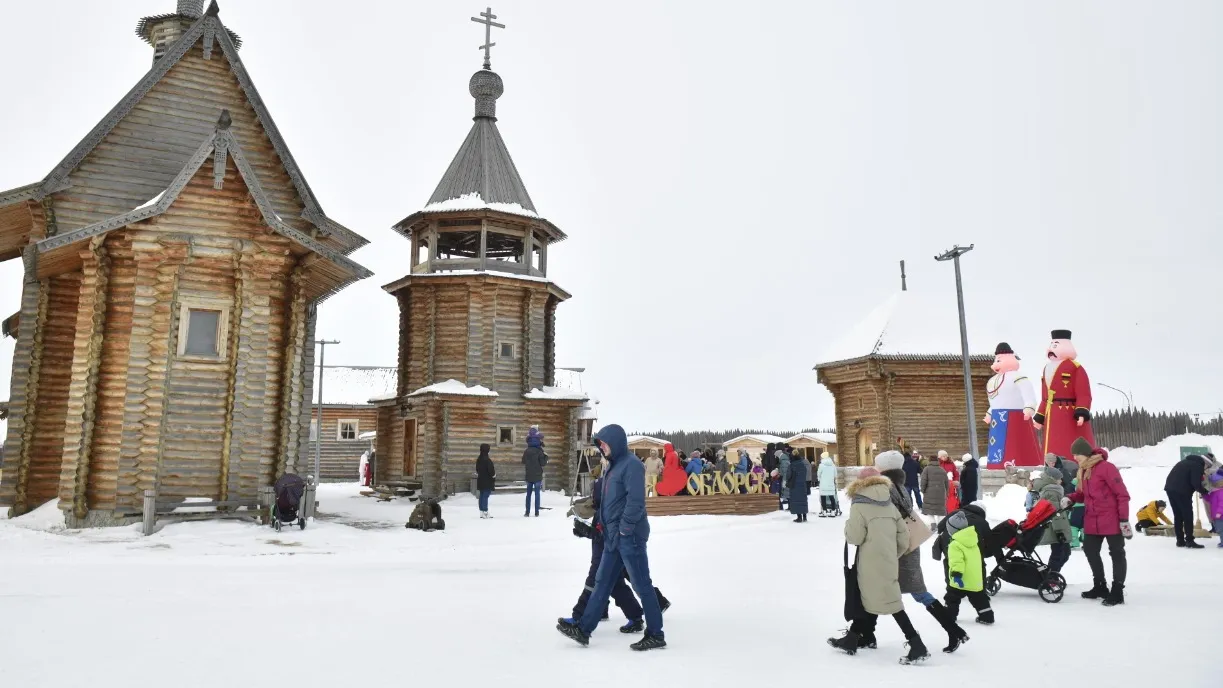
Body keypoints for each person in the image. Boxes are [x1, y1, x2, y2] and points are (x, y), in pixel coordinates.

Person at [557, 424, 666, 651]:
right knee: (602, 583)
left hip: (630, 537)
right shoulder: (612, 467)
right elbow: (609, 503)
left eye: (605, 444)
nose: (602, 448)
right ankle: (583, 630)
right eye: (600, 445)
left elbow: (636, 503)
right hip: (611, 538)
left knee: (641, 585)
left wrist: (625, 530)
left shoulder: (632, 466)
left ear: (615, 443)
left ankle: (655, 633)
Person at [827, 469, 930, 665]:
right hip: (889, 561)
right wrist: (892, 555)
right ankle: (854, 638)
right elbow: (904, 537)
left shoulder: (859, 504)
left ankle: (917, 645)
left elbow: (854, 537)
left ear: (862, 483)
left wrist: (848, 527)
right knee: (871, 598)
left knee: (890, 603)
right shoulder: (889, 503)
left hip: (868, 563)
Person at [876, 451, 970, 654]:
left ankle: (950, 631)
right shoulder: (899, 488)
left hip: (900, 551)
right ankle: (954, 630)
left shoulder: (887, 490)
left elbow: (893, 523)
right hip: (909, 547)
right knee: (908, 593)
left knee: (890, 592)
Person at [1065, 446, 1131, 606]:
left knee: (1116, 553)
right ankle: (1100, 586)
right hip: (1092, 519)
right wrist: (1071, 498)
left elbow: (1122, 494)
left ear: (1086, 454)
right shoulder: (1084, 470)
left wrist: (1123, 519)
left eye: (1077, 454)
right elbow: (1083, 495)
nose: (1075, 457)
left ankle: (1117, 591)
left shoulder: (1106, 468)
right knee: (1089, 549)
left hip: (1112, 518)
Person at [943, 511, 994, 625]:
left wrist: (956, 575)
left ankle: (949, 617)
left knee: (952, 598)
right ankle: (987, 617)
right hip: (975, 579)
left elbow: (957, 561)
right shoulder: (973, 540)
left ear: (953, 530)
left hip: (960, 579)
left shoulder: (955, 544)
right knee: (979, 599)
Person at [1164, 453, 1211, 548]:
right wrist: (1205, 492)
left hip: (1170, 489)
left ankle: (1180, 540)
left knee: (1178, 515)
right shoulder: (1197, 465)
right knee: (1188, 515)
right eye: (1207, 467)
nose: (1206, 469)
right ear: (1205, 463)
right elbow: (1195, 483)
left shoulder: (1184, 462)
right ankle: (1189, 540)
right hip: (1182, 491)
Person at [1033, 467, 1072, 572]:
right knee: (1059, 553)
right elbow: (1055, 514)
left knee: (1062, 553)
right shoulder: (1052, 491)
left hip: (1054, 528)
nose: (1061, 481)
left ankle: (1051, 575)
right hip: (1056, 529)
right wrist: (1059, 532)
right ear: (1053, 479)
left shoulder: (1050, 489)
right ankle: (1051, 576)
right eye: (1059, 478)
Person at [521, 427, 548, 517]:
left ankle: (527, 512)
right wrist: (546, 457)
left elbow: (523, 461)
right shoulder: (539, 451)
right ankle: (536, 512)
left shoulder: (526, 451)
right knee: (537, 494)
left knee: (528, 495)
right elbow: (543, 463)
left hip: (529, 475)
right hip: (537, 476)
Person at [788, 451, 809, 522]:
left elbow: (788, 475)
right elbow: (805, 473)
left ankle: (799, 517)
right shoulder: (802, 464)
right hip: (802, 484)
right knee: (803, 500)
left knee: (796, 500)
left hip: (795, 485)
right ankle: (805, 516)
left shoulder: (792, 465)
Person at [476, 443, 496, 519]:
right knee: (485, 495)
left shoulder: (479, 459)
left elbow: (477, 469)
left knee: (481, 495)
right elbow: (491, 470)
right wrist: (494, 475)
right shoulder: (487, 460)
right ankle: (485, 511)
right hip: (487, 480)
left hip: (480, 479)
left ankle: (481, 512)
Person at [1205, 467, 1223, 548]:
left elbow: (1222, 503)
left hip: (1220, 515)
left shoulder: (1221, 492)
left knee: (1221, 530)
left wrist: (1219, 512)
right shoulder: (1214, 491)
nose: (1214, 484)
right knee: (1218, 529)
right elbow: (1209, 499)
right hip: (1215, 514)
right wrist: (1204, 494)